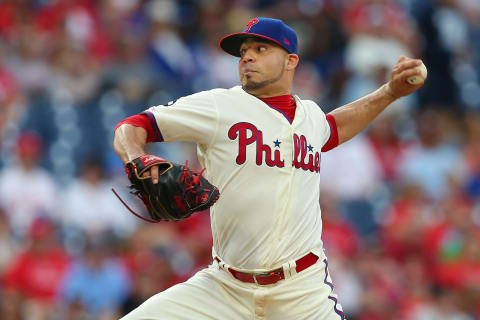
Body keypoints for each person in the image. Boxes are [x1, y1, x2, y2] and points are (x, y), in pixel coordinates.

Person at [113, 17, 425, 320]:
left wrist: (389, 93)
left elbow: (334, 126)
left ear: (291, 61)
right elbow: (132, 126)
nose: (247, 56)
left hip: (302, 291)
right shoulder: (219, 105)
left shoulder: (311, 116)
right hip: (225, 287)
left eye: (261, 49)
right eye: (244, 51)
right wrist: (137, 158)